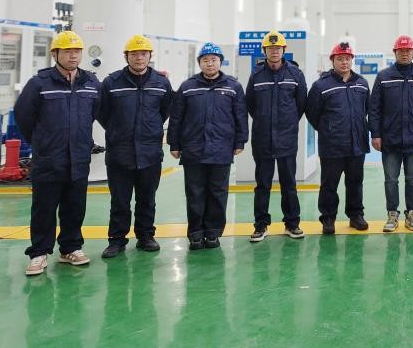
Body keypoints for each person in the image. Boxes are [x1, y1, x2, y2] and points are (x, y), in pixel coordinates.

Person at [15, 31, 101, 276]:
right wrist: (40, 142)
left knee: (75, 205)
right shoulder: (39, 84)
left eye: (77, 51)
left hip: (79, 157)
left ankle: (70, 248)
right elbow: (23, 116)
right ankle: (39, 252)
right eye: (67, 51)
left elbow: (96, 111)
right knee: (44, 207)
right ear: (55, 54)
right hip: (48, 158)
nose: (73, 56)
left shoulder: (91, 83)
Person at [98, 34, 173, 258]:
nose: (139, 58)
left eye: (143, 54)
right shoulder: (111, 82)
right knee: (119, 200)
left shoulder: (161, 83)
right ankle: (116, 240)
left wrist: (149, 129)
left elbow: (165, 111)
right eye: (134, 54)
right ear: (126, 57)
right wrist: (118, 131)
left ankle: (145, 236)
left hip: (150, 152)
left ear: (150, 56)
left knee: (147, 198)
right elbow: (102, 113)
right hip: (119, 152)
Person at [167, 43, 248, 250]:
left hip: (221, 149)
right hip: (193, 149)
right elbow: (176, 117)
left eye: (213, 60)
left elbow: (240, 116)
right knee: (195, 192)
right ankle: (195, 233)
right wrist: (174, 143)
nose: (210, 63)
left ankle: (213, 233)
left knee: (218, 193)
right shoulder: (188, 87)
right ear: (199, 63)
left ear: (220, 62)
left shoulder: (233, 86)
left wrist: (240, 141)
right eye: (205, 60)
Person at [369, 35, 413, 233]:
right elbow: (375, 108)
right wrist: (376, 134)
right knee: (391, 179)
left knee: (412, 178)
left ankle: (412, 214)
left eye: (408, 50)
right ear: (395, 53)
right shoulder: (383, 77)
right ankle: (392, 215)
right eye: (401, 50)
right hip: (390, 138)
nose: (405, 53)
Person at [245, 30, 308, 242]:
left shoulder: (295, 74)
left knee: (289, 183)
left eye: (278, 48)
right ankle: (260, 225)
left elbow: (301, 104)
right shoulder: (256, 75)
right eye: (271, 48)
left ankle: (292, 223)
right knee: (262, 184)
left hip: (287, 138)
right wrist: (264, 120)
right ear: (264, 51)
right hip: (262, 138)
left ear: (284, 50)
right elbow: (250, 104)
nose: (274, 51)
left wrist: (287, 123)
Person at [305, 41, 371, 234]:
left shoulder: (362, 83)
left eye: (348, 58)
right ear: (332, 61)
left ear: (352, 60)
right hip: (332, 145)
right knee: (329, 184)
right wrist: (327, 129)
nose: (344, 62)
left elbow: (368, 109)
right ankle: (328, 218)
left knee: (355, 182)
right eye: (340, 59)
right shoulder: (321, 85)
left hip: (357, 143)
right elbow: (312, 112)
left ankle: (355, 215)